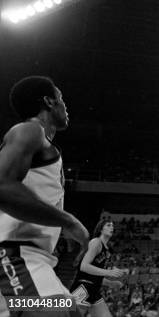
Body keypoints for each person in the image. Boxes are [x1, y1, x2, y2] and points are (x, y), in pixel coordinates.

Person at [0, 76, 89, 317]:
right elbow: (3, 186)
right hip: (13, 257)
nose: (65, 105)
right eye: (61, 99)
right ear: (49, 101)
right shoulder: (29, 130)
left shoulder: (45, 148)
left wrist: (58, 226)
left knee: (70, 310)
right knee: (54, 312)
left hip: (33, 259)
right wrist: (67, 220)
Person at [70, 220, 126, 316]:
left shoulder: (107, 250)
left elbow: (95, 273)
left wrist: (110, 283)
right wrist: (108, 272)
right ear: (101, 229)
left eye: (112, 226)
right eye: (108, 225)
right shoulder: (96, 242)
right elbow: (84, 266)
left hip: (94, 289)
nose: (112, 227)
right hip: (83, 287)